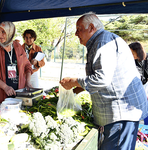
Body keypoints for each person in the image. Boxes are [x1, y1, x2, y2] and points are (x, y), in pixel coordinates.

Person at [59, 12, 148, 150]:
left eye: (79, 29)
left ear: (92, 28)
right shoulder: (101, 40)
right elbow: (109, 76)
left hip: (121, 113)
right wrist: (81, 87)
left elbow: (102, 79)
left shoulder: (102, 42)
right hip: (122, 112)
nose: (76, 33)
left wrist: (74, 81)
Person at [0, 21, 33, 103]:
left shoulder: (18, 46)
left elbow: (27, 66)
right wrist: (5, 87)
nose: (0, 35)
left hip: (18, 93)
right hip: (0, 95)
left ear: (10, 32)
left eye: (3, 32)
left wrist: (28, 82)